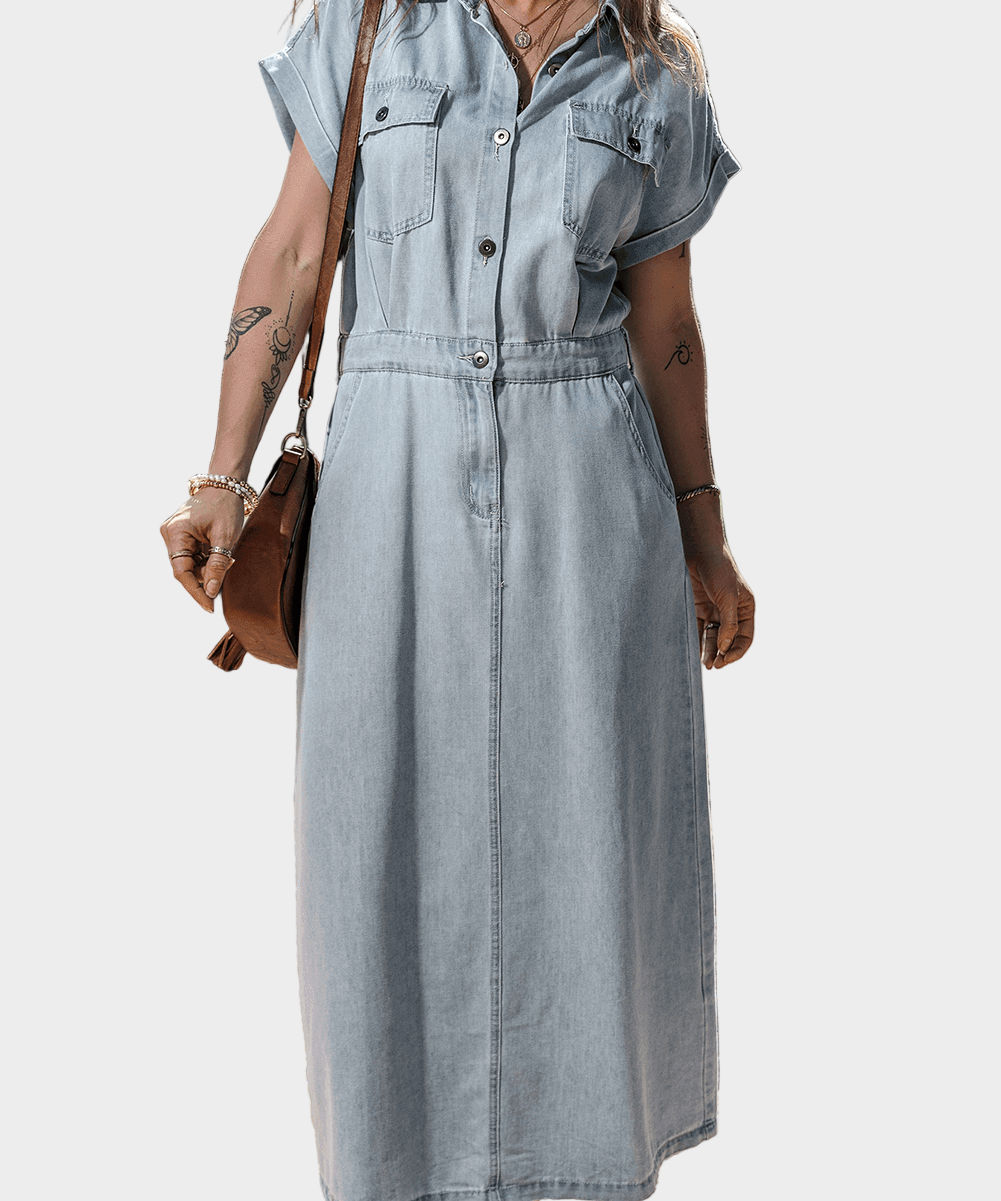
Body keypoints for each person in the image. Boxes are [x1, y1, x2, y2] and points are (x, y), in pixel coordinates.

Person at [161, 0, 755, 1198]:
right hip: (389, 483)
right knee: (374, 834)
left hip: (587, 497)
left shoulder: (652, 86)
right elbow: (291, 251)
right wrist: (223, 473)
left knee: (585, 841)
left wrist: (706, 537)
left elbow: (665, 326)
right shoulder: (370, 30)